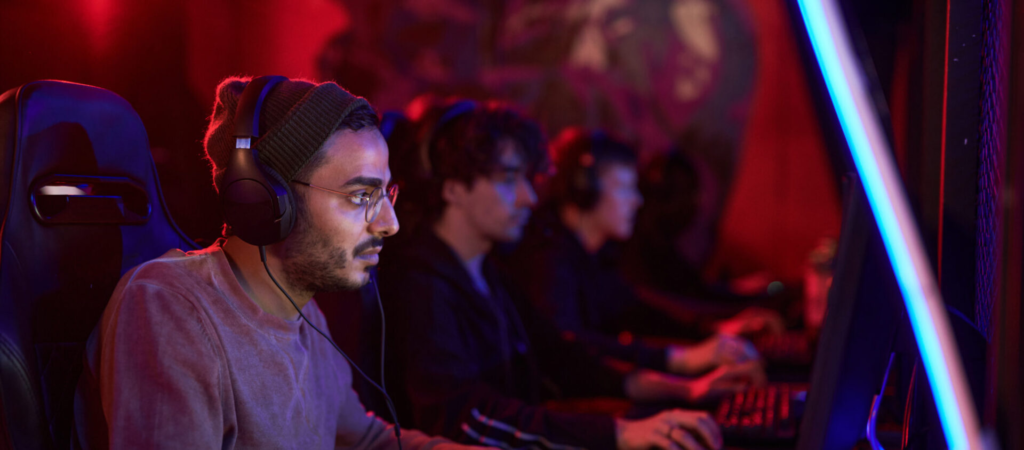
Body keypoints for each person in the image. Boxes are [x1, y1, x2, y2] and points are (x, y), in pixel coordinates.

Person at [73, 77, 474, 449]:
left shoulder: (305, 313)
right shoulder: (170, 307)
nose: (390, 223)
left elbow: (367, 440)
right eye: (361, 196)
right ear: (266, 200)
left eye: (386, 194)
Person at [381, 100, 750, 450]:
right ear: (453, 188)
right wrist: (619, 433)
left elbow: (563, 358)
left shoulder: (487, 272)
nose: (528, 197)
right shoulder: (421, 286)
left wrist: (683, 390)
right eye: (508, 179)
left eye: (526, 179)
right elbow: (462, 419)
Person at [512, 128, 781, 377]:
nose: (637, 201)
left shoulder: (594, 254)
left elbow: (635, 311)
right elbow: (570, 346)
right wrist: (679, 359)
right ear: (584, 189)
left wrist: (711, 332)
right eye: (624, 188)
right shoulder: (546, 257)